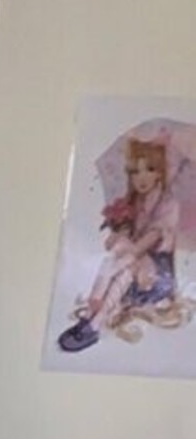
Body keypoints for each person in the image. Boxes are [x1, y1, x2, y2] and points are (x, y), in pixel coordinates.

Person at [58, 136, 181, 353]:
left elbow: (144, 244)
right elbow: (125, 242)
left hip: (156, 275)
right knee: (120, 262)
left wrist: (120, 248)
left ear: (160, 173)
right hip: (132, 262)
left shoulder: (169, 204)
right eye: (135, 171)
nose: (141, 177)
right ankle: (92, 316)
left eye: (150, 169)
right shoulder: (135, 201)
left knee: (125, 265)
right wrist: (119, 233)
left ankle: (95, 322)